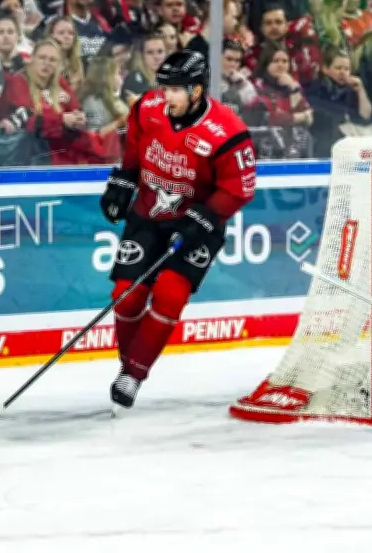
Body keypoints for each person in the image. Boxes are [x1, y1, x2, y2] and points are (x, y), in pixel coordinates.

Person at [99, 50, 257, 408]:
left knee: (170, 293)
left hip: (198, 223)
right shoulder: (148, 107)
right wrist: (123, 182)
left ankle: (133, 374)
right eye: (164, 88)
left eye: (174, 90)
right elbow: (136, 147)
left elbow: (239, 188)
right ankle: (130, 365)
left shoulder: (228, 132)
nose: (165, 96)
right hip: (148, 213)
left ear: (197, 91)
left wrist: (204, 219)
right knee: (127, 293)